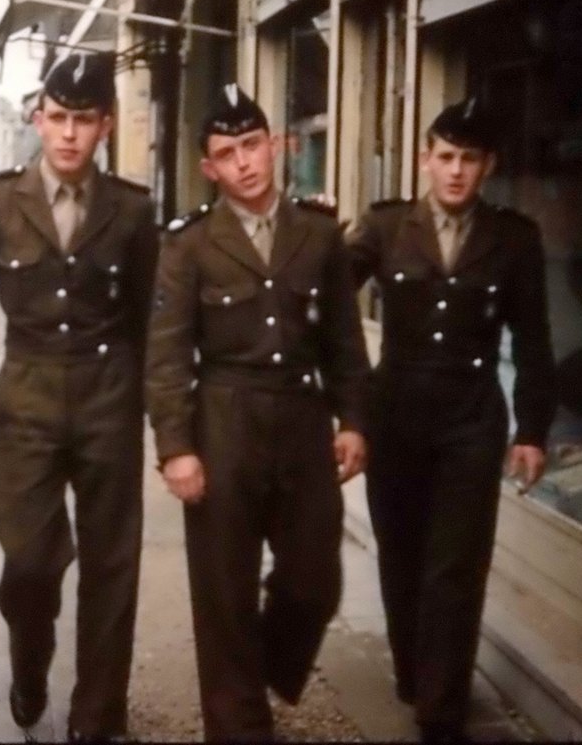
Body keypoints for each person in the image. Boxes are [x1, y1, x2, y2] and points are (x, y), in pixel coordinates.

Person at [0, 51, 157, 740]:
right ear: (37, 119)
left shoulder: (132, 210)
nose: (68, 133)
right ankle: (31, 666)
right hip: (26, 402)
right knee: (29, 563)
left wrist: (165, 416)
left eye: (83, 120)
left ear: (106, 125)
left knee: (112, 567)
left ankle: (97, 717)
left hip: (109, 400)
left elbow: (152, 321)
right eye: (57, 117)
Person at [146, 84, 370, 741]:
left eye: (252, 145)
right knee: (224, 595)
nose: (244, 162)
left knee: (314, 578)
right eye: (227, 153)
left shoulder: (319, 234)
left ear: (276, 145)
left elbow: (344, 340)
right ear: (209, 169)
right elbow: (166, 355)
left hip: (302, 420)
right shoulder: (189, 244)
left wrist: (353, 420)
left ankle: (269, 663)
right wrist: (176, 448)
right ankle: (240, 726)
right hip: (224, 422)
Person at [346, 97, 557, 742]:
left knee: (455, 565)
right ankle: (416, 675)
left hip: (471, 419)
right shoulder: (385, 227)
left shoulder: (513, 238)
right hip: (395, 416)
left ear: (487, 166)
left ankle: (441, 709)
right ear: (424, 160)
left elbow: (534, 340)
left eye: (469, 159)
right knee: (402, 556)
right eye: (445, 157)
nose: (456, 171)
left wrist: (531, 431)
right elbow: (327, 298)